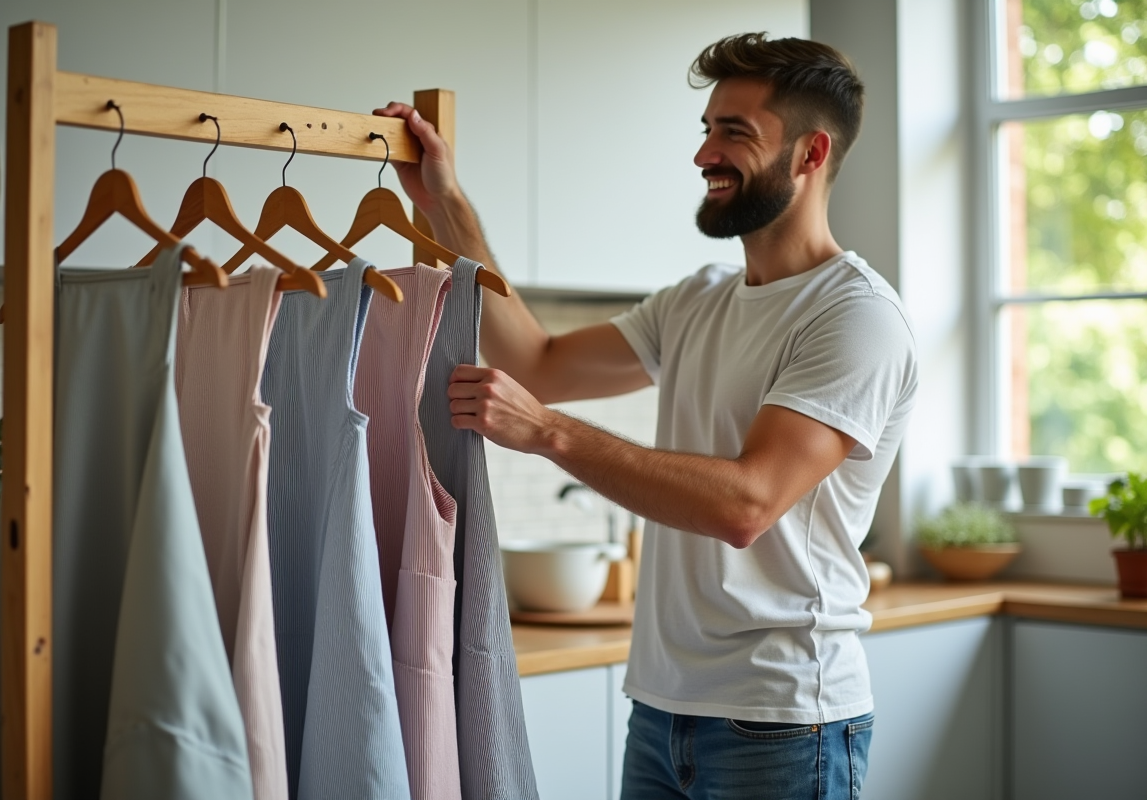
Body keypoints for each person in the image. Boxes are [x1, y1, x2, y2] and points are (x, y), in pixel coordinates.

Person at [375, 31, 918, 800]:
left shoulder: (855, 317)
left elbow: (746, 504)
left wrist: (548, 433)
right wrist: (445, 205)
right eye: (707, 129)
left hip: (784, 719)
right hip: (663, 710)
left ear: (811, 153)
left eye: (735, 133)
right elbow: (538, 361)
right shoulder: (698, 299)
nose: (704, 155)